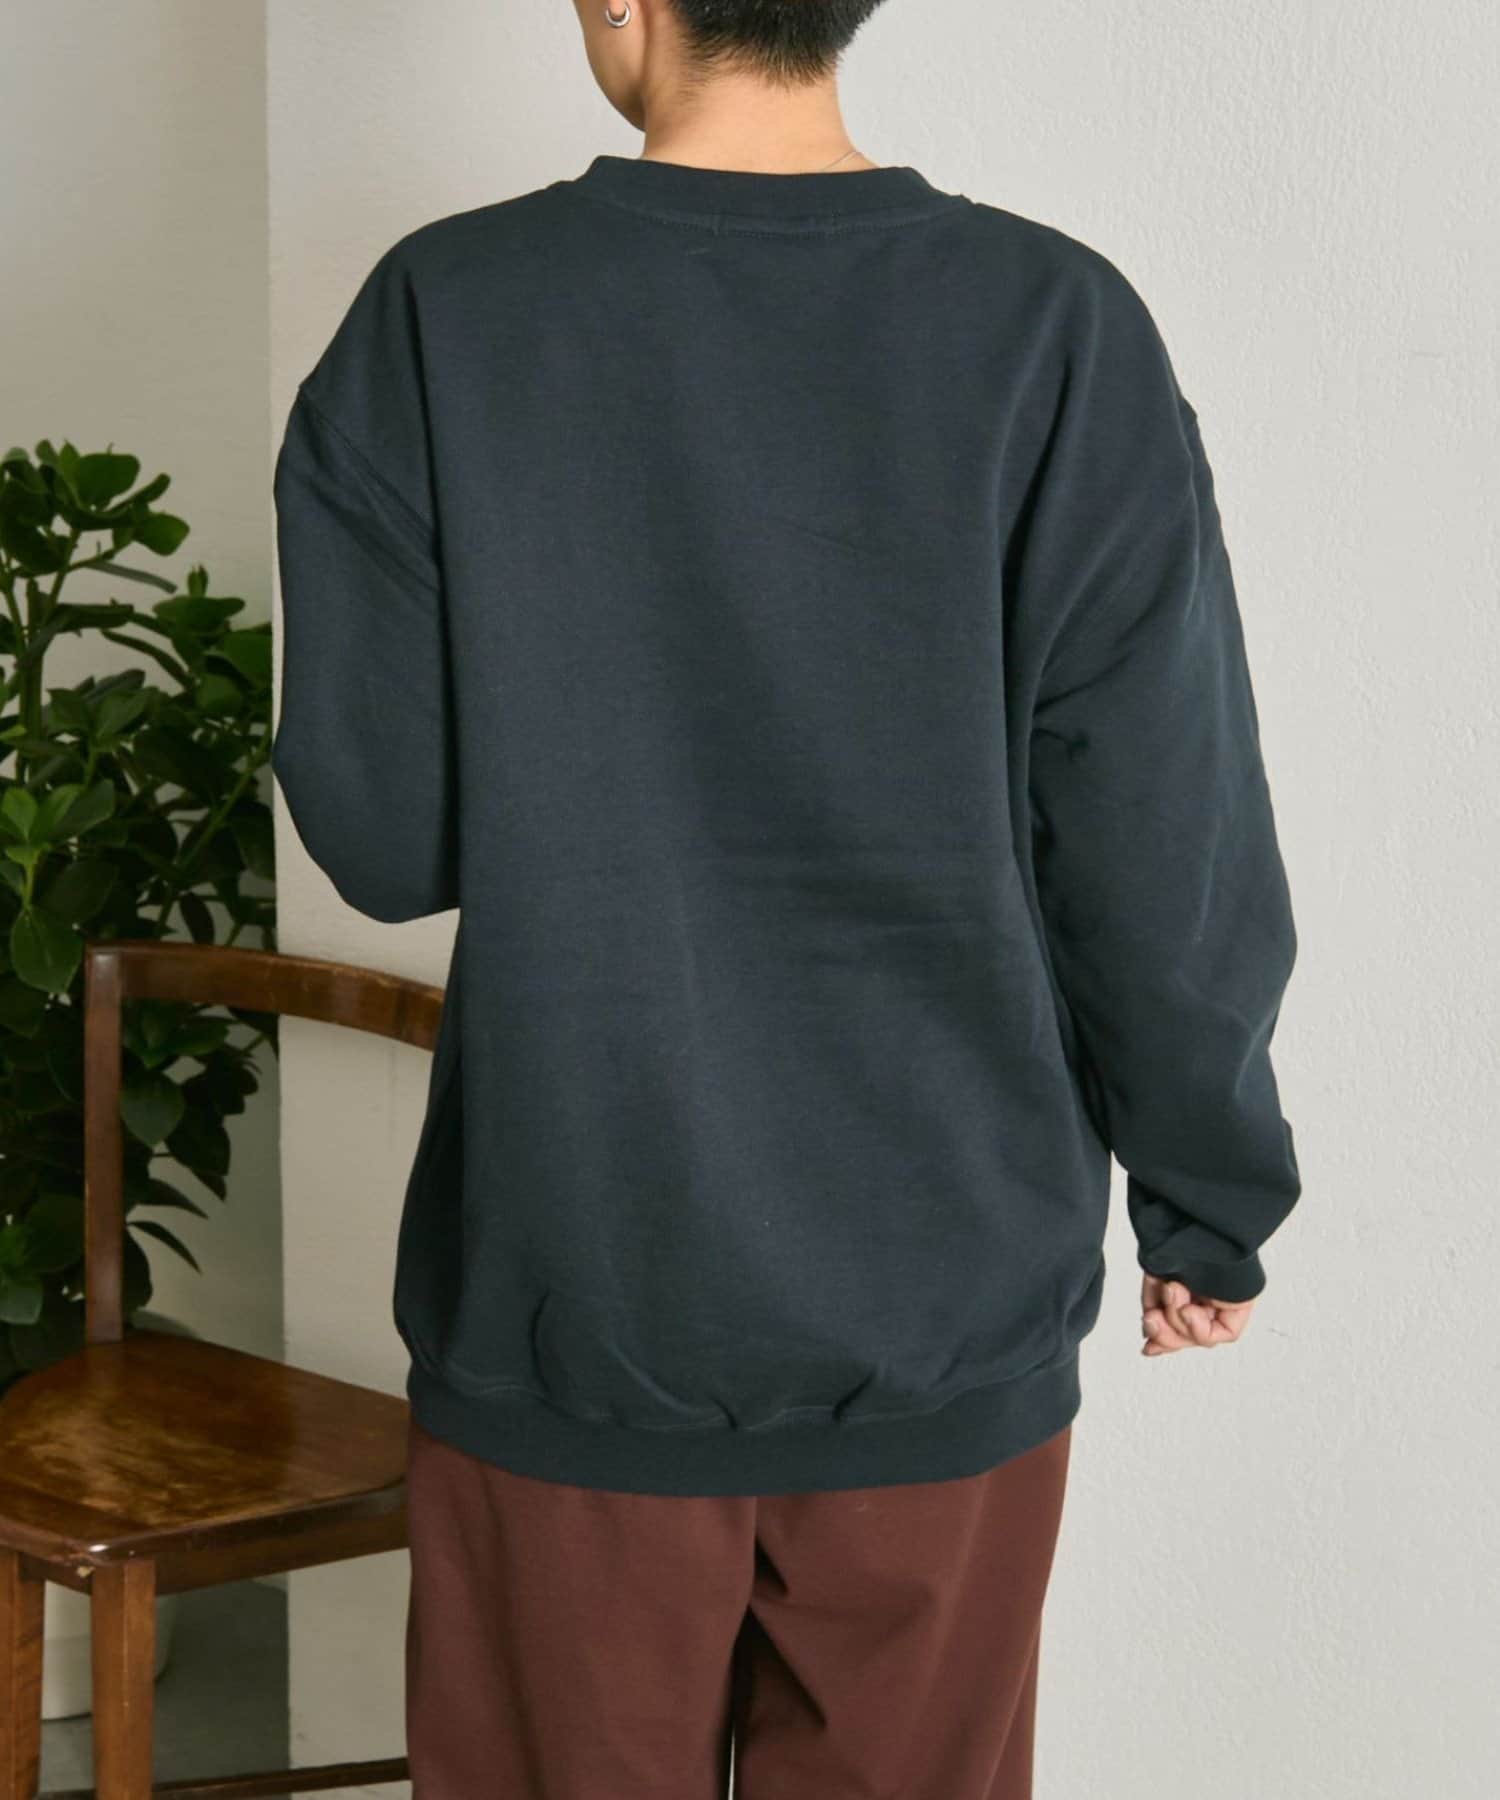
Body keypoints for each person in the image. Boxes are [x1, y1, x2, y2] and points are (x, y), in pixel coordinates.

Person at [270, 2, 1302, 1794]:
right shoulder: (1058, 326)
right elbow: (1158, 822)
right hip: (945, 1284)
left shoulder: (442, 312)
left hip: (579, 1271)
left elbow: (385, 834)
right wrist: (1207, 1191)